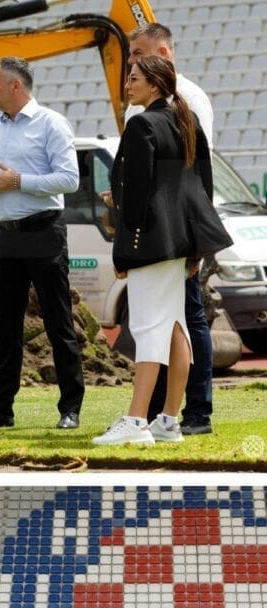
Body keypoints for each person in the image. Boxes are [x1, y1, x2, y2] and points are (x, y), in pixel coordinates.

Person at [93, 56, 231, 446]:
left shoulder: (142, 125)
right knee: (175, 327)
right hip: (181, 243)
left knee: (149, 328)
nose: (127, 85)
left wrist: (124, 250)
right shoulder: (187, 121)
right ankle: (168, 421)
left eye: (134, 78)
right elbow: (203, 188)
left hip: (151, 243)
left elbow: (136, 197)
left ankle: (137, 421)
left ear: (154, 85)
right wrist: (196, 250)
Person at [0, 57, 85, 432]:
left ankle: (70, 408)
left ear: (16, 86)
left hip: (43, 232)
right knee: (6, 327)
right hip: (3, 234)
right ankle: (1, 409)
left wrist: (18, 182)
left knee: (58, 323)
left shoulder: (51, 123)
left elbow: (69, 180)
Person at [127, 23, 217, 436]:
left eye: (138, 56)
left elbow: (193, 172)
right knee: (177, 321)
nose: (131, 64)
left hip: (163, 233)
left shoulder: (188, 101)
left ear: (162, 54)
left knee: (173, 320)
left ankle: (185, 412)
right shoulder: (143, 107)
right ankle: (167, 416)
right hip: (173, 230)